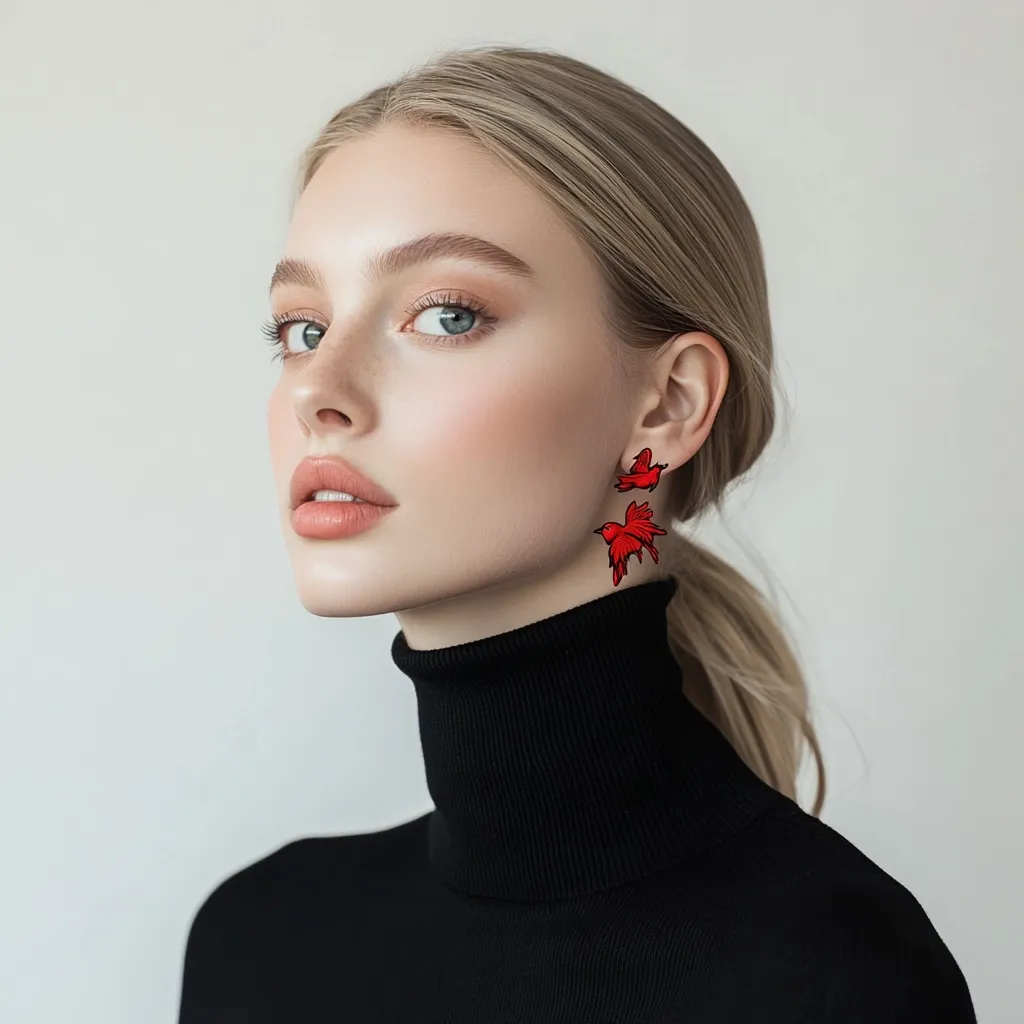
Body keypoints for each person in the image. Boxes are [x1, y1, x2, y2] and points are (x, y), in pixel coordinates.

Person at [176, 43, 976, 1023]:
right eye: (301, 327)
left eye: (447, 313)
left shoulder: (830, 975)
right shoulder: (260, 944)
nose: (317, 391)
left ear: (668, 404)